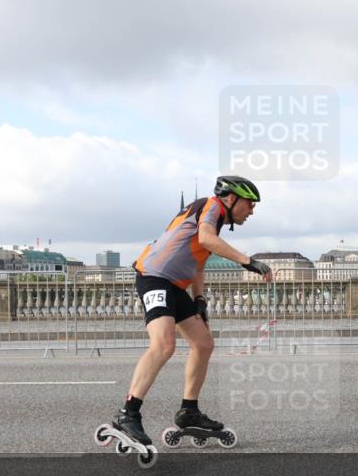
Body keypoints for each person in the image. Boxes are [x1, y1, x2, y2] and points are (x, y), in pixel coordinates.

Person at [111, 175, 273, 447]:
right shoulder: (210, 207)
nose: (252, 210)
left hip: (175, 285)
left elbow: (198, 263)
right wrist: (248, 261)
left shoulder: (215, 221)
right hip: (153, 277)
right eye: (250, 203)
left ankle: (189, 411)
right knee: (163, 345)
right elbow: (207, 240)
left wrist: (199, 300)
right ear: (231, 199)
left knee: (204, 343)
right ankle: (128, 412)